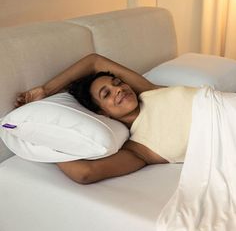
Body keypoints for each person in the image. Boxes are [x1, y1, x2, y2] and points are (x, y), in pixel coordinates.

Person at [15, 53, 198, 184]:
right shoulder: (140, 148)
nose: (118, 89)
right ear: (102, 113)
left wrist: (46, 89)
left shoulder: (150, 91)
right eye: (106, 94)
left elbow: (94, 62)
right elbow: (85, 173)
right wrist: (42, 138)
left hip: (224, 104)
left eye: (118, 83)